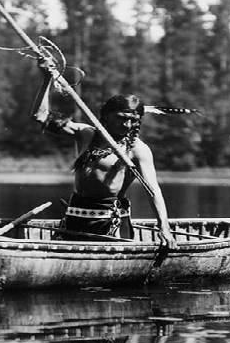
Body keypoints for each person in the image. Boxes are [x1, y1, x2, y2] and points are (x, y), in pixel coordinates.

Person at [31, 61, 175, 249]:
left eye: (132, 121)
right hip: (75, 215)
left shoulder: (136, 149)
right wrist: (47, 79)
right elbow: (40, 116)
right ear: (106, 116)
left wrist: (164, 227)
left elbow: (153, 190)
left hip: (109, 222)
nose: (127, 125)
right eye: (121, 118)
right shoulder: (86, 134)